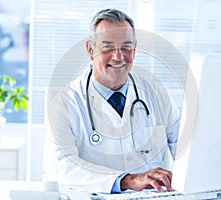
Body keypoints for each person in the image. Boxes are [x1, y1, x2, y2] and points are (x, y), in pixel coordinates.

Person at [43, 8, 181, 193]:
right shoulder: (65, 103)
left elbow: (187, 150)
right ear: (91, 50)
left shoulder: (156, 92)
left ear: (135, 49)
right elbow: (59, 168)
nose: (118, 57)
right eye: (108, 47)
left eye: (126, 47)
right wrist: (126, 181)